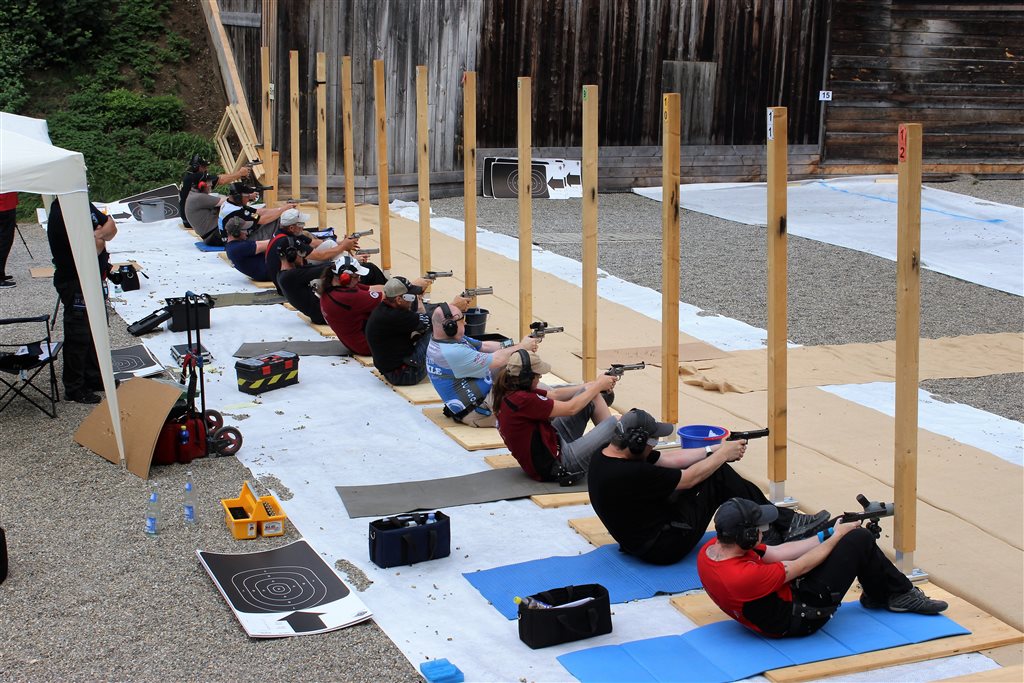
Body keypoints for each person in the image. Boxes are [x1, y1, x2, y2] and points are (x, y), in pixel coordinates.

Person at [587, 408, 831, 565]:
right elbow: (688, 478)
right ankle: (781, 527)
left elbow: (671, 459)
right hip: (663, 547)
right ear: (638, 443)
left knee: (713, 467)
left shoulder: (605, 456)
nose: (655, 445)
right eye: (653, 440)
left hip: (639, 538)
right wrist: (722, 456)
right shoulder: (630, 472)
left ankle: (777, 525)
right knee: (717, 474)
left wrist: (715, 448)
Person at [697, 498, 948, 638]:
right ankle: (898, 594)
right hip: (799, 618)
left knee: (837, 533)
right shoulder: (742, 576)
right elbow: (801, 564)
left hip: (772, 604)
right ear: (747, 535)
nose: (764, 530)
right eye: (759, 528)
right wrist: (838, 537)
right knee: (858, 539)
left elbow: (779, 552)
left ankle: (879, 594)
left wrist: (827, 532)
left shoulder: (712, 550)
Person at [492, 350, 619, 481]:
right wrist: (598, 385)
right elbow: (571, 408)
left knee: (592, 395)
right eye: (538, 376)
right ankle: (618, 457)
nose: (540, 379)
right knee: (618, 423)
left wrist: (592, 385)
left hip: (551, 445)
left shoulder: (512, 390)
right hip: (559, 464)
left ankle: (614, 448)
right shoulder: (523, 400)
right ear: (527, 378)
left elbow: (555, 394)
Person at [46, 197, 117, 404]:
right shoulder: (62, 213)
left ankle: (93, 376)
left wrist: (98, 235)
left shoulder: (81, 202)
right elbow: (90, 249)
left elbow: (112, 227)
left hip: (91, 277)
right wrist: (100, 236)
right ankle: (74, 386)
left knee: (95, 329)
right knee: (79, 333)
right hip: (75, 281)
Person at [425, 303, 539, 428]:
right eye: (462, 320)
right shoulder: (451, 352)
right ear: (450, 326)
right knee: (538, 405)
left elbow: (485, 346)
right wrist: (522, 346)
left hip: (484, 396)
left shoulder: (447, 340)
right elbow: (498, 359)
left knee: (520, 369)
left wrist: (516, 344)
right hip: (480, 410)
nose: (465, 323)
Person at [365, 275, 444, 385]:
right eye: (410, 297)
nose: (413, 299)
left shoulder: (383, 309)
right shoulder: (397, 316)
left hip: (390, 370)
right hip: (406, 374)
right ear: (398, 299)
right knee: (441, 328)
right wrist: (454, 307)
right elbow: (435, 320)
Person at [264, 209, 357, 293]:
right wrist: (344, 246)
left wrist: (341, 243)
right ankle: (347, 274)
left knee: (330, 243)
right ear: (291, 228)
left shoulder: (284, 232)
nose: (303, 226)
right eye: (301, 224)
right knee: (328, 274)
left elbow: (314, 243)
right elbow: (320, 256)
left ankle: (346, 270)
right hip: (290, 284)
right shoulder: (287, 240)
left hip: (287, 277)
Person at [318, 254, 386, 355]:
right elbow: (387, 297)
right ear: (345, 277)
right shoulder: (347, 297)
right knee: (398, 308)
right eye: (356, 276)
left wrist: (394, 287)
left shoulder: (333, 289)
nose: (359, 279)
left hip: (359, 342)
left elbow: (373, 289)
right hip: (369, 346)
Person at [178, 154, 250, 229]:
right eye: (204, 167)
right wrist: (240, 173)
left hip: (187, 218)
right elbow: (221, 180)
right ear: (197, 167)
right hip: (193, 221)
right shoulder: (197, 176)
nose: (206, 169)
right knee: (228, 205)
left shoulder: (188, 177)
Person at [274, 236, 330, 325]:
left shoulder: (283, 274)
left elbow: (315, 268)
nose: (304, 257)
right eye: (301, 253)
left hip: (323, 312)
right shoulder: (290, 276)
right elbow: (324, 269)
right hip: (327, 315)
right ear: (291, 254)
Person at [218, 183, 297, 241]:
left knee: (274, 216)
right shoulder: (236, 211)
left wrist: (280, 209)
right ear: (238, 197)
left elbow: (258, 212)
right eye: (247, 196)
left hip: (236, 237)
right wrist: (283, 210)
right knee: (276, 220)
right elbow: (263, 220)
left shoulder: (230, 204)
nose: (248, 199)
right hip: (238, 241)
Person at [223, 216, 271, 281]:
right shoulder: (239, 248)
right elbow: (271, 242)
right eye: (244, 230)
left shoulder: (232, 246)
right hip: (272, 273)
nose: (247, 232)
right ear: (236, 233)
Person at [183, 179, 228, 246]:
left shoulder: (193, 194)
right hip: (214, 237)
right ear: (202, 185)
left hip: (210, 236)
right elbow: (227, 201)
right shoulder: (199, 197)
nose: (211, 185)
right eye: (209, 185)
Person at [0, 192, 17, 288]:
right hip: (5, 204)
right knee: (4, 242)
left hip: (6, 203)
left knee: (4, 241)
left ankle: (1, 273)